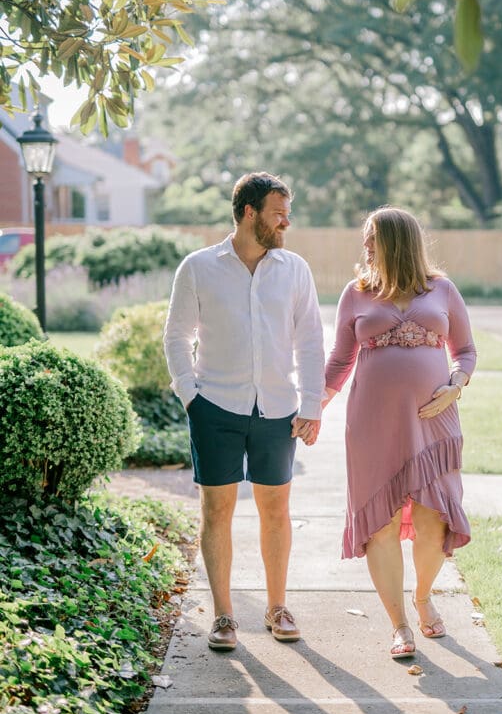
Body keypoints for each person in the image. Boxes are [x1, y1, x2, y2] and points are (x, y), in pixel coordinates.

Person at [164, 172, 325, 652]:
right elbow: (176, 335)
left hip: (278, 408)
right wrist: (189, 395)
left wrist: (312, 403)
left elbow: (311, 339)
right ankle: (224, 615)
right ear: (250, 212)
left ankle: (277, 607)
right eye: (279, 212)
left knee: (276, 509)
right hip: (215, 406)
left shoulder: (294, 269)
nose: (286, 222)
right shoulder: (198, 267)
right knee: (218, 510)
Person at [323, 207, 476, 659]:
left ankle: (423, 596)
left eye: (372, 238)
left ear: (396, 242)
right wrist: (314, 407)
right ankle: (399, 625)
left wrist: (455, 386)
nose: (365, 246)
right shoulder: (356, 294)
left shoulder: (442, 290)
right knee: (382, 523)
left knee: (433, 522)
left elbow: (465, 351)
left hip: (433, 421)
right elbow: (339, 360)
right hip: (372, 424)